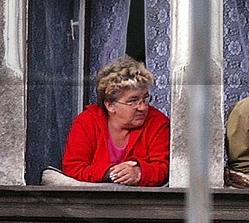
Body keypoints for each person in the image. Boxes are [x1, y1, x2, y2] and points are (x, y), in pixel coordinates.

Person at [57, 57, 170, 186]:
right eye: (133, 101)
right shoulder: (87, 122)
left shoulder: (158, 123)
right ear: (110, 105)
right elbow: (73, 168)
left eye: (145, 98)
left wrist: (139, 172)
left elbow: (164, 169)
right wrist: (112, 173)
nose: (143, 107)